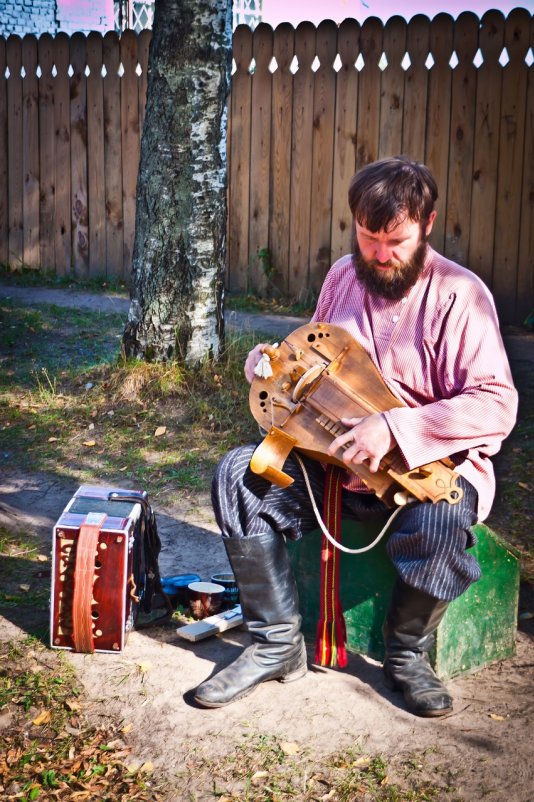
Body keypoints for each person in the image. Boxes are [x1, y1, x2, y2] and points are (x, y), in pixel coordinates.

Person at [193, 156, 518, 717]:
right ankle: (276, 644)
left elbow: (497, 403)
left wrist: (393, 426)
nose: (380, 254)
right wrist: (272, 367)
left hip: (421, 475)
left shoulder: (461, 297)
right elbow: (311, 359)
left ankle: (407, 655)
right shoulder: (344, 274)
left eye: (396, 240)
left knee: (444, 515)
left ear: (429, 224)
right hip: (333, 470)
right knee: (237, 475)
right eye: (369, 238)